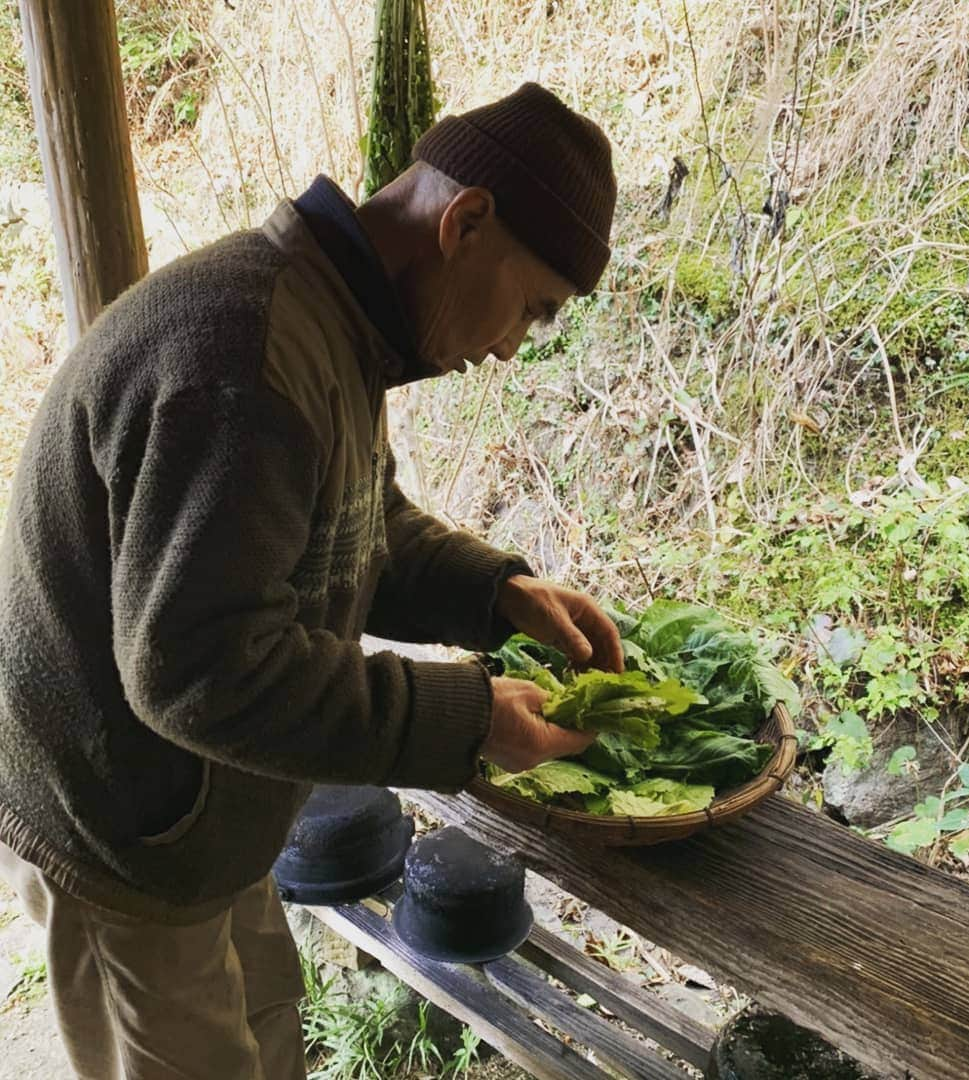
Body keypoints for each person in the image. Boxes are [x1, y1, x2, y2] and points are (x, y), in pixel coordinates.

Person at [0, 83, 621, 1078]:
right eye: (534, 310)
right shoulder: (247, 359)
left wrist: (494, 593)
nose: (512, 345)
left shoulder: (332, 323)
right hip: (123, 829)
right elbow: (197, 672)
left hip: (206, 807)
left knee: (265, 1031)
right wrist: (470, 719)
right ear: (467, 222)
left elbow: (350, 524)